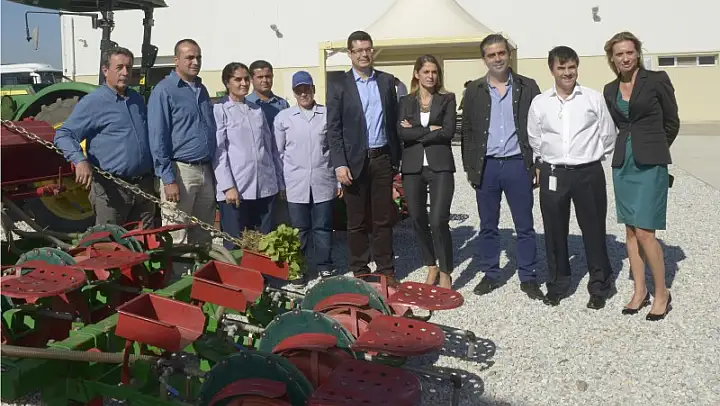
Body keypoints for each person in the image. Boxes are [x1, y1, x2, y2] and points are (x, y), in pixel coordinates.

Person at [527, 46, 618, 309]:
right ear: (552, 70)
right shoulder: (540, 103)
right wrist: (550, 160)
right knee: (554, 232)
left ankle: (599, 286)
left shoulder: (593, 98)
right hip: (553, 173)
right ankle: (558, 284)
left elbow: (608, 135)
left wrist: (588, 156)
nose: (567, 73)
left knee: (594, 230)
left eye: (571, 67)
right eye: (561, 68)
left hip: (588, 173)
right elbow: (535, 138)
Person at [460, 34, 544, 300]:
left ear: (508, 54)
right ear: (484, 59)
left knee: (525, 225)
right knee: (488, 225)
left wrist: (538, 162)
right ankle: (491, 273)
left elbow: (540, 125)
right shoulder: (474, 90)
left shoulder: (527, 86)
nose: (497, 59)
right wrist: (470, 167)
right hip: (487, 166)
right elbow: (467, 131)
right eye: (491, 55)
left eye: (501, 53)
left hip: (518, 164)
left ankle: (528, 276)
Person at [602, 31, 679, 320]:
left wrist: (655, 148)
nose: (625, 58)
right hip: (623, 164)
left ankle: (662, 293)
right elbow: (617, 124)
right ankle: (639, 291)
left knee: (646, 232)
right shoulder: (609, 89)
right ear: (612, 58)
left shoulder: (656, 80)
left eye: (629, 52)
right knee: (631, 231)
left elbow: (672, 122)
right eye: (619, 54)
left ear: (637, 53)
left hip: (650, 165)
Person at [326, 30, 402, 284]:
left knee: (383, 219)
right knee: (356, 220)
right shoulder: (339, 85)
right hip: (353, 161)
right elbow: (334, 128)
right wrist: (339, 163)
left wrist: (396, 158)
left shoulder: (386, 81)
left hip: (381, 158)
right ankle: (360, 270)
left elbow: (393, 121)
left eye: (367, 49)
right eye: (358, 50)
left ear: (373, 51)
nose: (364, 54)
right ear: (350, 53)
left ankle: (386, 270)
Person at [54, 47, 156, 229]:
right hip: (112, 190)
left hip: (143, 188)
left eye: (129, 67)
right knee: (111, 242)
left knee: (144, 242)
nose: (125, 73)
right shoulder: (93, 102)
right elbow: (64, 134)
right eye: (119, 67)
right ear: (105, 70)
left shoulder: (136, 99)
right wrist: (79, 160)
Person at [148, 38, 217, 246]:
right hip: (180, 172)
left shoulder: (201, 89)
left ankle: (201, 267)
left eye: (198, 57)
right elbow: (158, 137)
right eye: (189, 57)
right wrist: (168, 179)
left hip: (205, 170)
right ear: (176, 60)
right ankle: (179, 268)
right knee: (177, 236)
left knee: (204, 234)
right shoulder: (164, 90)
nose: (195, 62)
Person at [274, 71, 341, 286]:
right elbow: (278, 153)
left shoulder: (326, 114)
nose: (303, 94)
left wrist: (338, 181)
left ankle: (324, 265)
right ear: (294, 93)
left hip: (323, 179)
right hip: (295, 182)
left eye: (307, 89)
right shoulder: (284, 118)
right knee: (299, 229)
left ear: (313, 89)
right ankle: (298, 268)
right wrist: (281, 183)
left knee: (323, 227)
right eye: (299, 90)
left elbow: (334, 149)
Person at [397, 54, 457, 289]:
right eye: (426, 72)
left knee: (438, 219)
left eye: (434, 72)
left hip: (440, 166)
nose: (431, 76)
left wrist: (416, 131)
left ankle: (446, 271)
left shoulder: (447, 99)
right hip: (412, 167)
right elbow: (402, 133)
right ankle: (431, 265)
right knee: (417, 218)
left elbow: (448, 131)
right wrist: (430, 128)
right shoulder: (405, 101)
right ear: (416, 74)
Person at [212, 62, 284, 251]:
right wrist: (228, 186)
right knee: (235, 242)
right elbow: (219, 151)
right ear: (227, 82)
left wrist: (278, 181)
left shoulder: (256, 110)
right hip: (237, 187)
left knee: (264, 240)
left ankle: (263, 270)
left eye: (246, 79)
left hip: (265, 186)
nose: (243, 83)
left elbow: (270, 148)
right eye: (238, 79)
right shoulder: (220, 110)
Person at [246, 60, 290, 132]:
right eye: (260, 77)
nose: (265, 80)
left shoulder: (283, 104)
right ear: (251, 79)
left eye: (268, 76)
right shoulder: (245, 104)